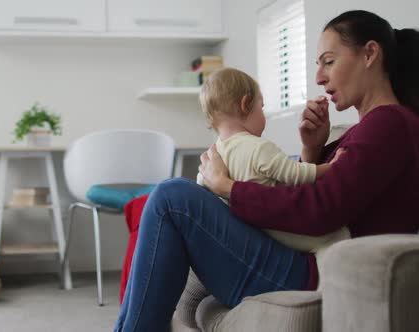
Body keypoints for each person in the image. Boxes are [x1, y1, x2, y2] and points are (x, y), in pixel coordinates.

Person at [114, 10, 419, 332]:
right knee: (169, 197)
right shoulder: (373, 128)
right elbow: (322, 197)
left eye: (328, 61)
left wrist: (227, 187)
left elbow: (321, 211)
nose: (319, 76)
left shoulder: (389, 124)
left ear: (370, 54)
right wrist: (311, 150)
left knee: (172, 197)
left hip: (312, 273)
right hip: (305, 260)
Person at [195, 67, 349, 256]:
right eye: (262, 106)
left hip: (246, 236)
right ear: (245, 105)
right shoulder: (258, 148)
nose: (263, 113)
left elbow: (200, 189)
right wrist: (331, 167)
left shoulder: (213, 156)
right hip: (279, 230)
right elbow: (295, 174)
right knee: (337, 235)